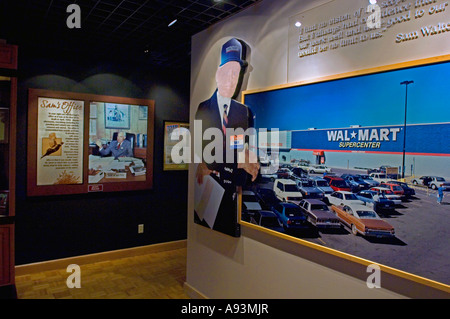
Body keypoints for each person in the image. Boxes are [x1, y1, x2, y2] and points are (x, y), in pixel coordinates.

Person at [195, 38, 259, 237]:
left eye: (236, 74)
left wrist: (243, 161)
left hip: (231, 196)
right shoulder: (203, 109)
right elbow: (206, 153)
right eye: (228, 72)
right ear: (217, 74)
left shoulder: (243, 112)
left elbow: (240, 150)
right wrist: (237, 162)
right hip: (207, 197)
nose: (233, 80)